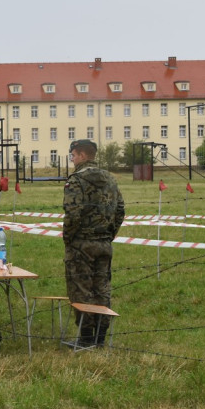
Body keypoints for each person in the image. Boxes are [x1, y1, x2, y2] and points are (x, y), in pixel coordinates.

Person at [64, 139, 125, 347]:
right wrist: (109, 234)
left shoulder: (76, 180)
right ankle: (101, 336)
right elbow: (120, 210)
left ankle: (86, 337)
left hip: (81, 244)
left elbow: (72, 214)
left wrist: (68, 238)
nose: (72, 159)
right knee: (102, 289)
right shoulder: (110, 179)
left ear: (81, 155)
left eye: (73, 155)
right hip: (104, 243)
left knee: (81, 289)